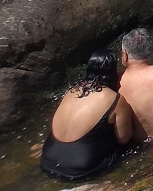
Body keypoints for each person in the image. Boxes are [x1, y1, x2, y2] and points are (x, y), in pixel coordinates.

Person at [39, 49, 136, 182]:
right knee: (131, 146)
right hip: (78, 170)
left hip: (46, 160)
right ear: (112, 71)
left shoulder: (73, 90)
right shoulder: (115, 99)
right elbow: (124, 138)